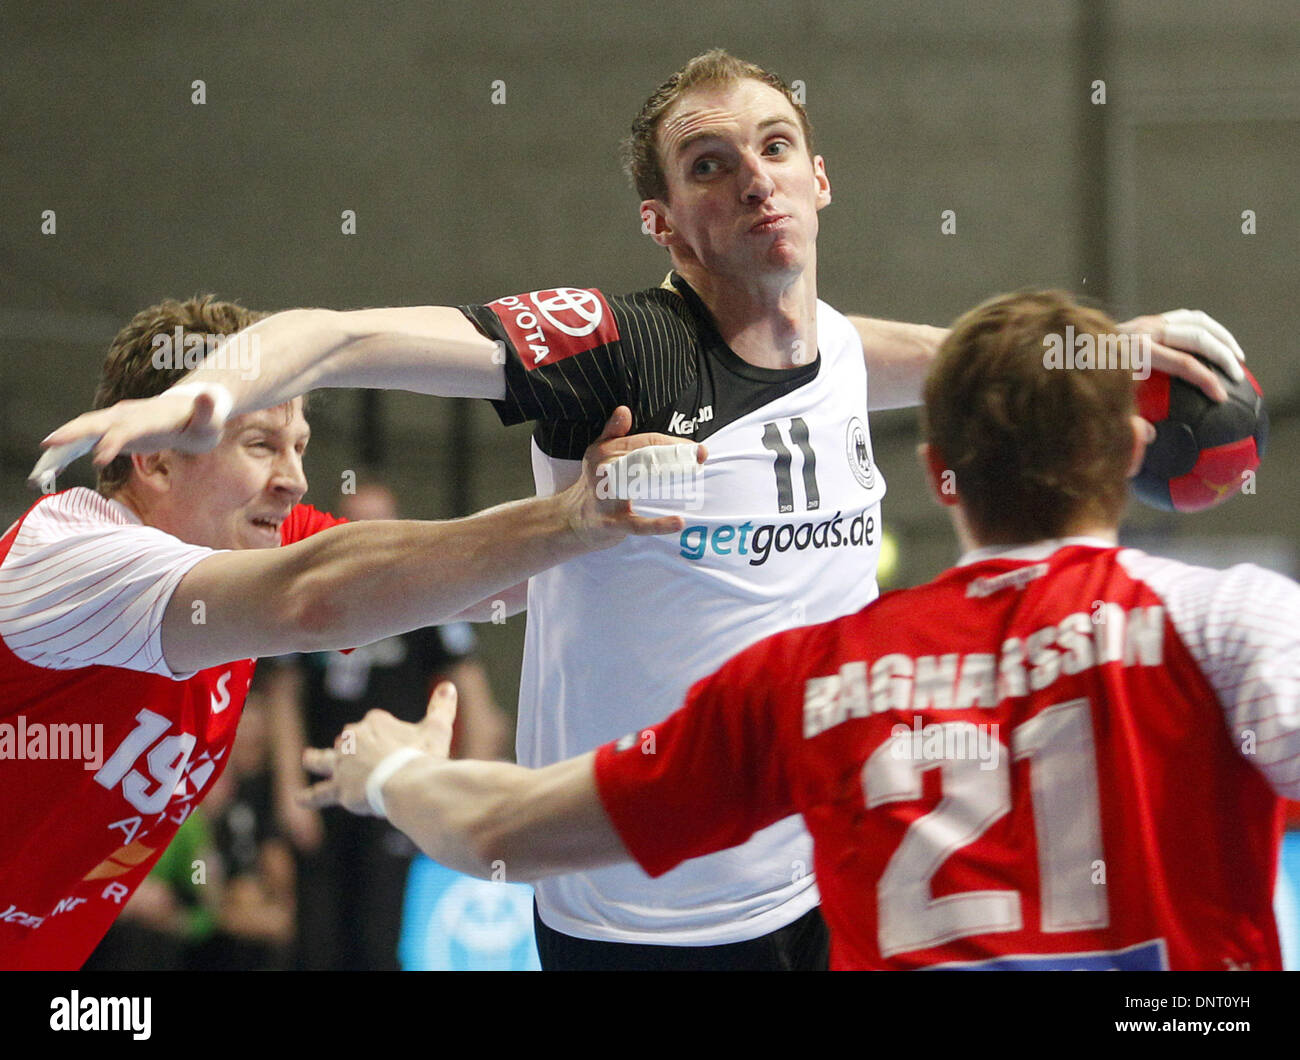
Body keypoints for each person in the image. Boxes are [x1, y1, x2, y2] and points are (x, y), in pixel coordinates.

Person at [33, 50, 1249, 969]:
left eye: (775, 147)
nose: (752, 177)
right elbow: (340, 334)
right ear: (664, 221)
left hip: (822, 873)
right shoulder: (614, 346)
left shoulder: (838, 352)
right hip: (630, 897)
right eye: (708, 164)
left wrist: (1105, 348)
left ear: (818, 177)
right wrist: (214, 385)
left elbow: (967, 356)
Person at [302, 289, 1299, 971]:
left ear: (938, 470)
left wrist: (388, 770)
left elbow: (503, 832)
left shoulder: (815, 679)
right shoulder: (1225, 626)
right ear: (1131, 453)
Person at [0, 296, 694, 971]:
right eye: (261, 446)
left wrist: (639, 513)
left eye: (300, 447)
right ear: (154, 459)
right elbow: (316, 599)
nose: (295, 480)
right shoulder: (67, 558)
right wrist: (569, 518)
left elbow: (483, 581)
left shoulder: (248, 546)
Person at [277, 477, 510, 970]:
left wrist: (462, 789)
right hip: (323, 788)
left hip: (392, 791)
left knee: (380, 939)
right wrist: (286, 787)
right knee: (315, 944)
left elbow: (476, 701)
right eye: (353, 525)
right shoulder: (309, 595)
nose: (367, 537)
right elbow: (284, 694)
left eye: (378, 526)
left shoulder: (424, 596)